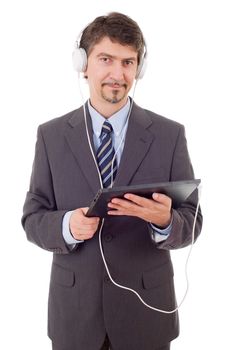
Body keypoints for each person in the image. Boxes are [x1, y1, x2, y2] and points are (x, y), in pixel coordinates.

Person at [22, 12, 202, 350]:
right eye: (106, 59)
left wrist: (165, 221)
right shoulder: (51, 136)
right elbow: (32, 218)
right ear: (83, 64)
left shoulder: (169, 135)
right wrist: (67, 226)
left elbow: (193, 221)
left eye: (128, 62)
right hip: (75, 315)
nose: (118, 74)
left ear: (139, 68)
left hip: (146, 315)